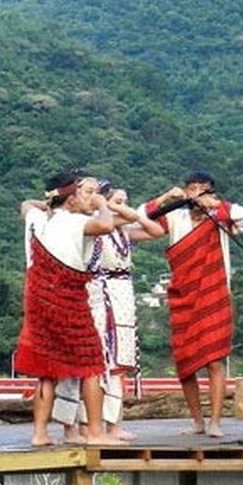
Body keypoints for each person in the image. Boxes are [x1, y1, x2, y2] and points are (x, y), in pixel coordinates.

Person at [143, 170, 243, 437]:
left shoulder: (220, 217)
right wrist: (165, 198)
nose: (197, 193)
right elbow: (143, 220)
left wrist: (216, 205)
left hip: (213, 293)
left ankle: (215, 421)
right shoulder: (176, 217)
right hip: (182, 295)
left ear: (211, 192)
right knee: (185, 364)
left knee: (214, 360)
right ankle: (197, 421)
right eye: (192, 189)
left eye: (203, 189)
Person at [15, 170, 118, 447]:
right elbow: (106, 226)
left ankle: (39, 433)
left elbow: (26, 204)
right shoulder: (75, 222)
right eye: (85, 194)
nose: (91, 198)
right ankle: (94, 432)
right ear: (70, 200)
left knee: (46, 368)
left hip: (37, 299)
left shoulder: (37, 219)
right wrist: (102, 204)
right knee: (91, 364)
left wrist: (49, 203)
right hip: (67, 298)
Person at [90, 181, 164, 440]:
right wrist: (109, 207)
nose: (123, 206)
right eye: (118, 201)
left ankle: (114, 423)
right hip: (102, 289)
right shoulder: (96, 223)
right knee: (104, 358)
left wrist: (124, 210)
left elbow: (156, 231)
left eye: (125, 202)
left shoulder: (123, 228)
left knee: (120, 360)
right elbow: (123, 218)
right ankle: (96, 424)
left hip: (123, 291)